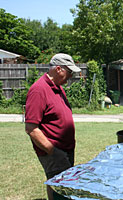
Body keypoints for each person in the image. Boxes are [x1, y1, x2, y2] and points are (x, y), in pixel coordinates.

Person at [25, 53, 81, 200]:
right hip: (54, 151)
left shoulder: (58, 87)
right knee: (61, 189)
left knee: (60, 186)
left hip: (65, 148)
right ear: (58, 69)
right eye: (69, 72)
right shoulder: (38, 90)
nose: (70, 76)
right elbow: (31, 128)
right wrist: (52, 151)